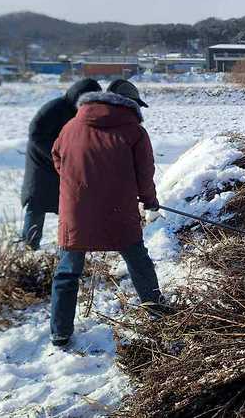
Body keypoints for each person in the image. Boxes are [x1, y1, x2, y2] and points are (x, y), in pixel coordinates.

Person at [50, 79, 162, 347]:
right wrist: (149, 201)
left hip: (75, 209)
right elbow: (144, 174)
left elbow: (56, 158)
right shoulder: (134, 131)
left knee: (67, 271)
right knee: (138, 260)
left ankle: (60, 332)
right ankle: (157, 311)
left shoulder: (71, 126)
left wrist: (80, 184)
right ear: (131, 104)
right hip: (118, 209)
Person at [20, 79, 101, 250]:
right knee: (37, 202)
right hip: (41, 163)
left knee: (67, 203)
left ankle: (68, 241)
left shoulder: (81, 112)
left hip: (65, 163)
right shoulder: (55, 108)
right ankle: (29, 244)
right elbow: (35, 134)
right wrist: (57, 153)